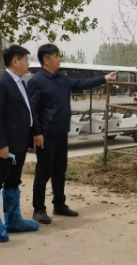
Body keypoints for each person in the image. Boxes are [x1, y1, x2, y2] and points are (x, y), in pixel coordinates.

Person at [27, 44, 116, 224]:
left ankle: (59, 204)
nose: (59, 59)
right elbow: (33, 110)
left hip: (61, 132)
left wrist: (103, 78)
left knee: (60, 169)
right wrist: (37, 133)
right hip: (46, 134)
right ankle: (39, 209)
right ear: (46, 60)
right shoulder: (37, 81)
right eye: (56, 56)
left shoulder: (61, 78)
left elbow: (81, 83)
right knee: (44, 170)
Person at [0, 45, 40, 242]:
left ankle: (13, 220)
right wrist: (1, 144)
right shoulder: (0, 83)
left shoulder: (20, 83)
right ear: (16, 61)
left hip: (19, 143)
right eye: (26, 59)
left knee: (13, 181)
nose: (28, 63)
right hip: (5, 145)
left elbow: (27, 111)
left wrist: (34, 132)